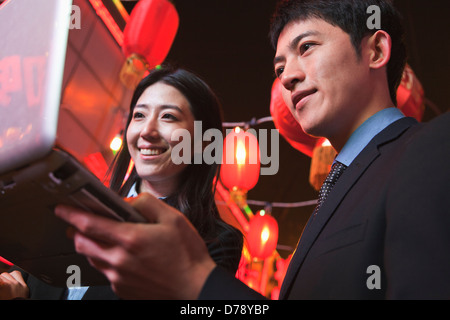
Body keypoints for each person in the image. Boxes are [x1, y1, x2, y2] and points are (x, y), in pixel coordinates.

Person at [54, 0, 450, 300]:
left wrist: (196, 282)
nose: (289, 78)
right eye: (279, 68)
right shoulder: (340, 188)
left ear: (376, 51)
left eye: (307, 47)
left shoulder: (431, 150)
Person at [0, 66, 243, 300]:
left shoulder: (216, 241)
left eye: (168, 117)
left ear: (203, 143)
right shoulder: (76, 202)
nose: (147, 130)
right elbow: (31, 278)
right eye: (139, 115)